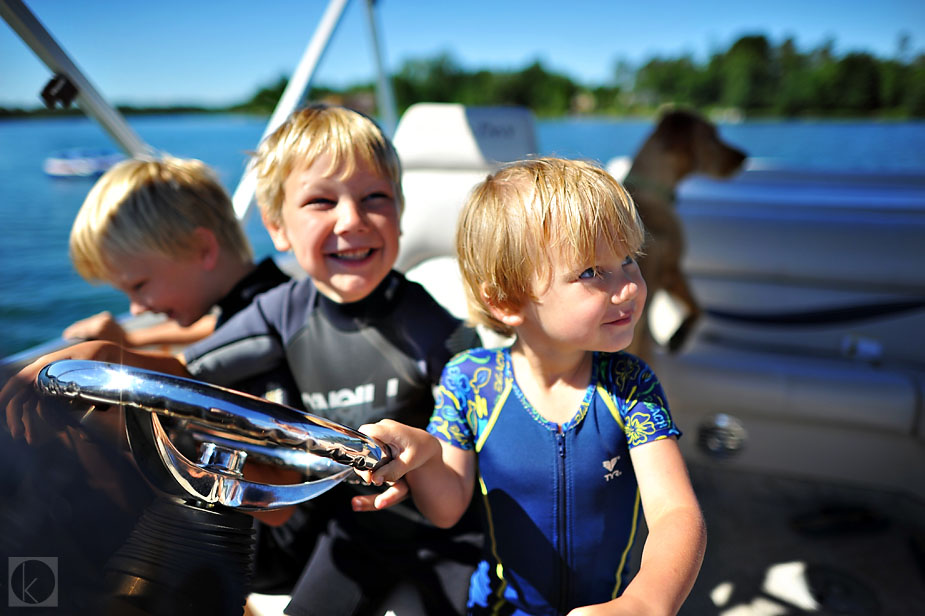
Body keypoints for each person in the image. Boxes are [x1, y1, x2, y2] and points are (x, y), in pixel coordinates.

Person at [2, 104, 481, 616]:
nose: (353, 220)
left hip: (440, 532)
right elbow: (190, 375)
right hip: (351, 531)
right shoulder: (281, 312)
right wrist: (111, 358)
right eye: (322, 201)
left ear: (400, 214)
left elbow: (476, 425)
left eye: (376, 199)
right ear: (277, 229)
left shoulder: (435, 328)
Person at [354, 157, 707, 616]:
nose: (628, 288)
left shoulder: (629, 385)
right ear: (506, 300)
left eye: (627, 261)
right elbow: (446, 508)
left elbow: (676, 513)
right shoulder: (472, 383)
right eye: (590, 273)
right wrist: (423, 455)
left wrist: (645, 602)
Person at [61, 156, 291, 363]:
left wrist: (113, 355)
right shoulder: (266, 296)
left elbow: (193, 371)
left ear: (202, 249)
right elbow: (216, 328)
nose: (136, 309)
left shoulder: (272, 325)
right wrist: (130, 339)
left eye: (139, 285)